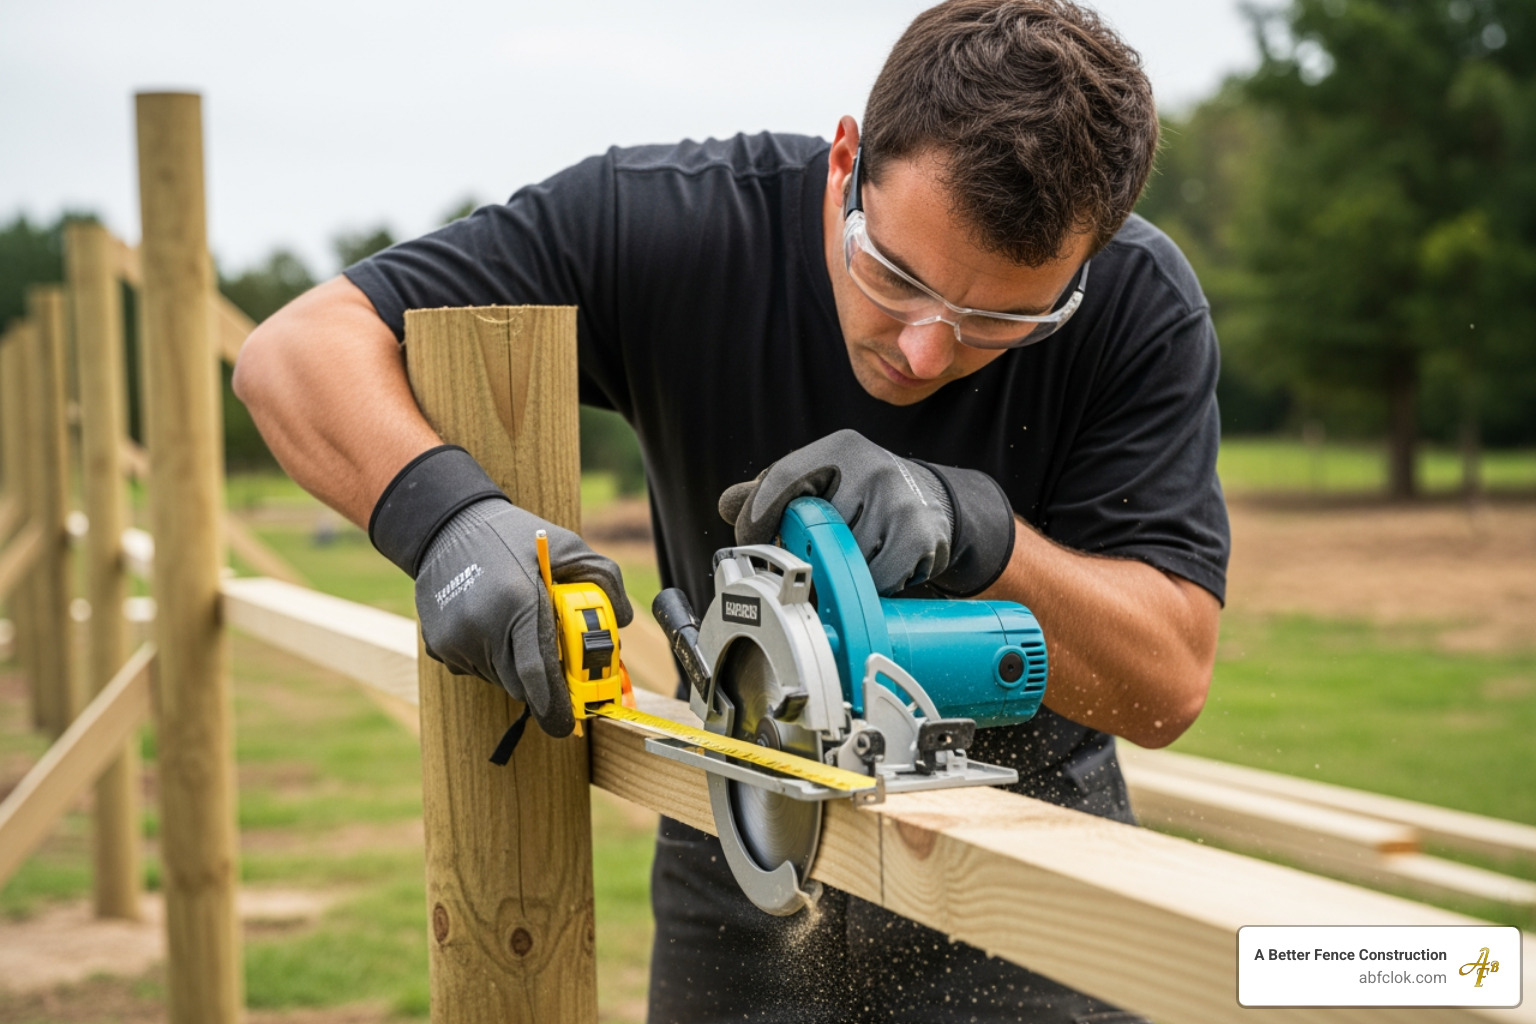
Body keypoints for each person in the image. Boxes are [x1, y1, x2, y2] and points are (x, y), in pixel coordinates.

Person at [233, 1, 1227, 1019]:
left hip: (1025, 872)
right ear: (847, 162)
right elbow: (296, 350)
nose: (928, 350)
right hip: (742, 832)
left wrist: (979, 531)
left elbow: (1168, 681)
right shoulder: (675, 224)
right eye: (896, 277)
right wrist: (443, 520)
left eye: (1002, 319)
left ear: (1088, 260)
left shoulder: (1139, 303)